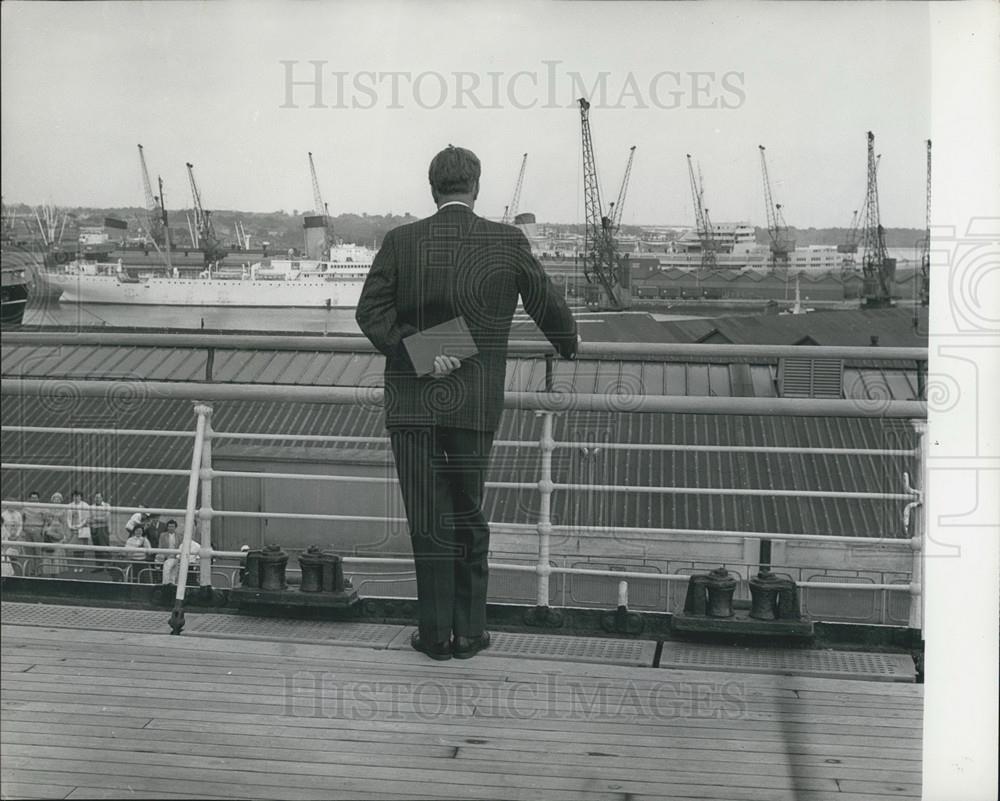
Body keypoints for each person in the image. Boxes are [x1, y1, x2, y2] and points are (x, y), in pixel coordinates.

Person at [355, 145, 578, 661]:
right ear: (476, 187)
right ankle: (471, 632)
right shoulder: (505, 241)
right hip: (473, 403)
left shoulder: (400, 241)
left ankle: (433, 636)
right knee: (468, 515)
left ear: (432, 189)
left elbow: (370, 311)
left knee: (428, 519)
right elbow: (547, 304)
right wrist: (568, 343)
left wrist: (424, 352)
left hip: (412, 403)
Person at [42, 492, 69, 575]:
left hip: (59, 529)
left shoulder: (64, 509)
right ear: (52, 500)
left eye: (58, 499)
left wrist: (65, 535)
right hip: (49, 528)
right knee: (48, 550)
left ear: (61, 500)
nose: (56, 500)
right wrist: (45, 530)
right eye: (55, 498)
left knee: (57, 551)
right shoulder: (48, 509)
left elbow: (64, 523)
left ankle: (56, 571)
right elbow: (45, 521)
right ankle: (49, 570)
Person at [66, 490, 91, 573]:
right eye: (74, 496)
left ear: (81, 497)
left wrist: (79, 526)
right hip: (73, 530)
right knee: (74, 549)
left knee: (81, 550)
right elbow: (68, 518)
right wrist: (70, 526)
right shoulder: (70, 505)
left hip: (82, 530)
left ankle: (81, 565)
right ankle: (76, 565)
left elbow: (86, 519)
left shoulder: (85, 505)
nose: (76, 498)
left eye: (78, 496)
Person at [21, 491, 45, 577]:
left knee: (38, 552)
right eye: (32, 498)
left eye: (36, 498)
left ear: (38, 498)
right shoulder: (25, 507)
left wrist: (43, 530)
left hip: (38, 530)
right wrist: (23, 530)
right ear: (29, 498)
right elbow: (22, 519)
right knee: (29, 552)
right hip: (28, 531)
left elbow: (46, 520)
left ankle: (39, 571)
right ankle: (31, 571)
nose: (34, 499)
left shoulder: (42, 507)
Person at [1, 499, 24, 576]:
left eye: (13, 504)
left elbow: (21, 525)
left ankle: (16, 574)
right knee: (6, 556)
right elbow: (3, 526)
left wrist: (17, 535)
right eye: (10, 504)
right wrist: (8, 536)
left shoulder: (18, 514)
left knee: (15, 556)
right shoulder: (3, 514)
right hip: (6, 538)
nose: (11, 506)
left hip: (16, 538)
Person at [89, 492, 112, 569]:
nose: (97, 499)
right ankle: (99, 566)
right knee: (96, 547)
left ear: (102, 498)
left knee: (105, 546)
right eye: (96, 497)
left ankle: (110, 565)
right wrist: (98, 519)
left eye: (99, 497)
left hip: (103, 528)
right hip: (94, 529)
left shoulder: (107, 506)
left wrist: (96, 519)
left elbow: (105, 519)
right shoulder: (91, 507)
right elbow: (90, 518)